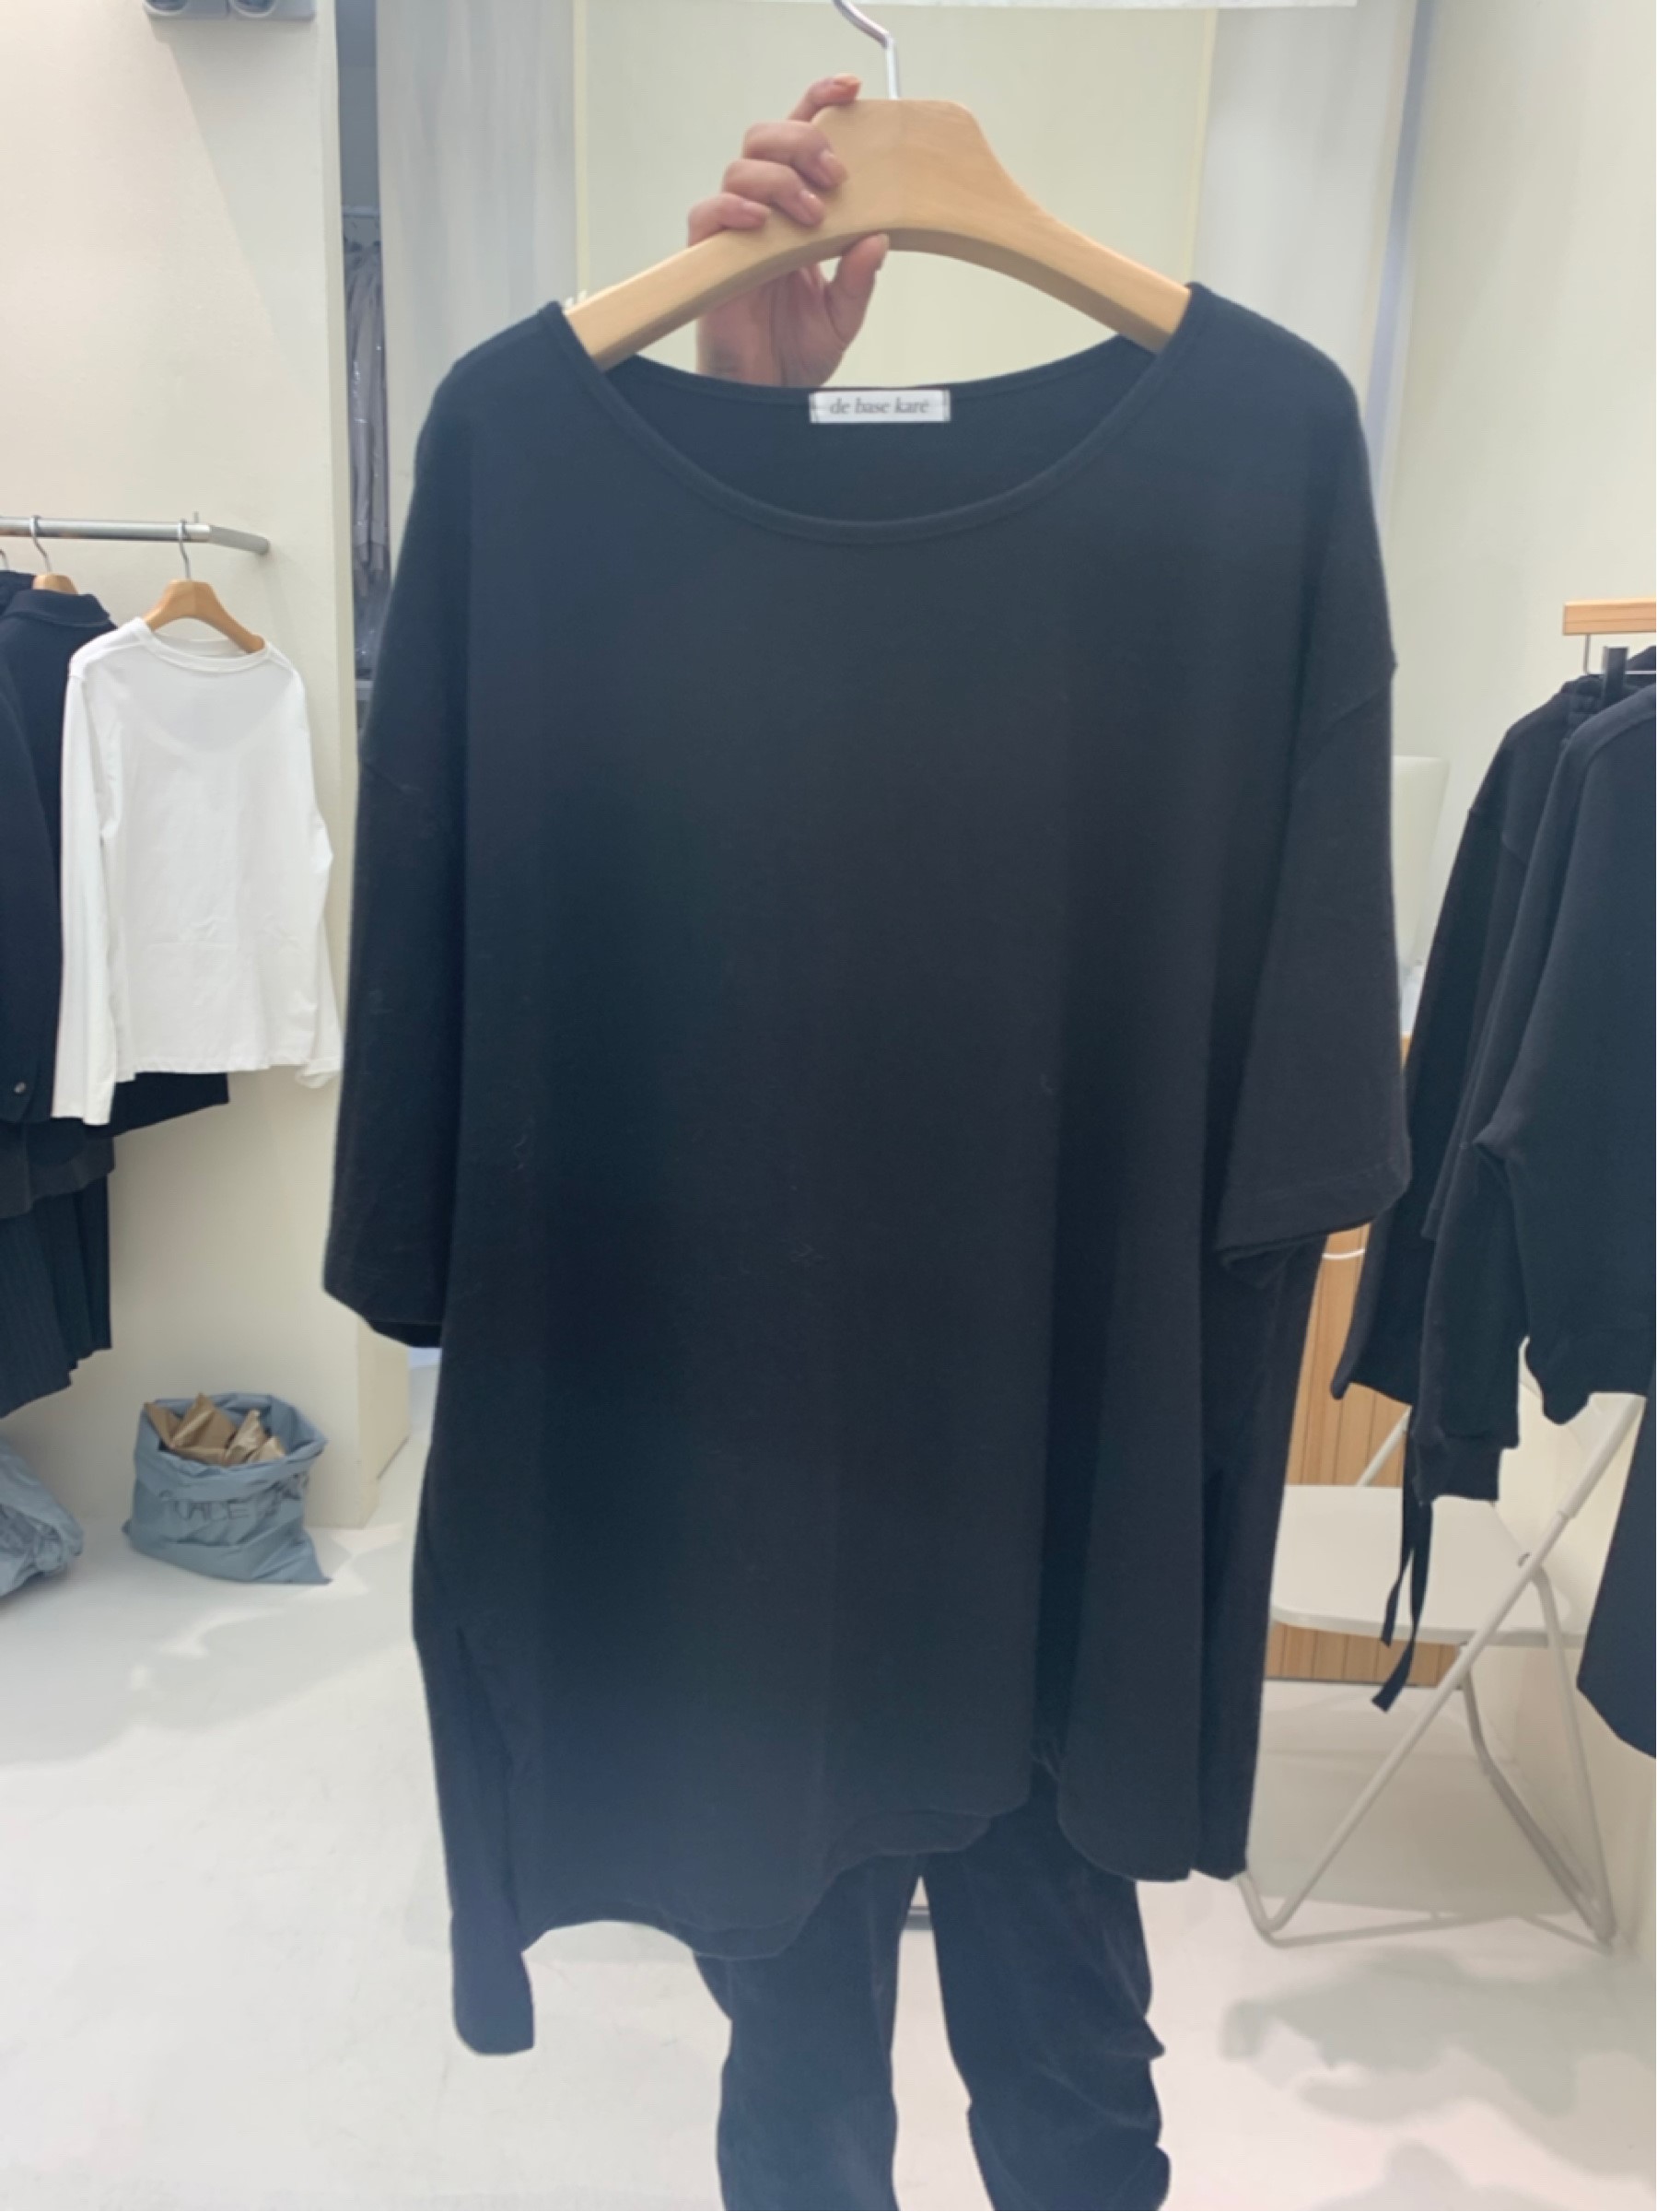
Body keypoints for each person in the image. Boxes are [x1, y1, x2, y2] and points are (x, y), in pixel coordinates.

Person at [682, 77, 1170, 2212]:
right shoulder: (674, 607)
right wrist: (743, 430)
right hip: (766, 1450)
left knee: (1057, 2041)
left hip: (1039, 1457)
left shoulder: (1158, 583)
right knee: (797, 2040)